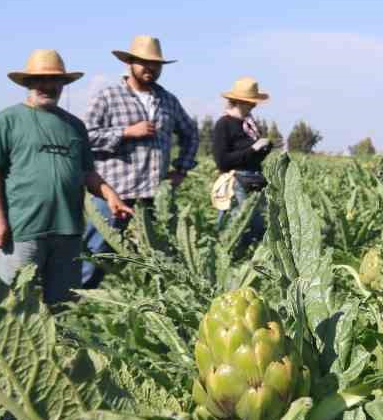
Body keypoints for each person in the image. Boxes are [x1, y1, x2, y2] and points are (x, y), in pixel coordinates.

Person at [0, 49, 132, 303]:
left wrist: (111, 196)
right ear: (28, 82)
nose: (48, 85)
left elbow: (87, 173)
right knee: (10, 303)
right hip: (22, 229)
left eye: (54, 80)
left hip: (68, 231)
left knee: (64, 307)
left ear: (63, 84)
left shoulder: (74, 125)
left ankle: (60, 345)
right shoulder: (7, 120)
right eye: (40, 79)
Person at [81, 35, 199, 286]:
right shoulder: (108, 96)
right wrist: (125, 132)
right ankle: (77, 308)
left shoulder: (167, 100)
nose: (150, 68)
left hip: (154, 197)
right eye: (144, 62)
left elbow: (191, 134)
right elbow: (85, 137)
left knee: (156, 261)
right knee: (96, 255)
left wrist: (181, 169)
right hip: (113, 194)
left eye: (156, 64)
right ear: (130, 63)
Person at [210, 76, 274, 248]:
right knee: (237, 228)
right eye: (250, 102)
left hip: (255, 181)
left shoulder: (250, 125)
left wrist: (264, 148)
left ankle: (249, 264)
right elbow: (222, 161)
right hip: (237, 182)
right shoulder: (224, 124)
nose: (253, 105)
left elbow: (251, 159)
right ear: (238, 101)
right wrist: (253, 149)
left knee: (257, 228)